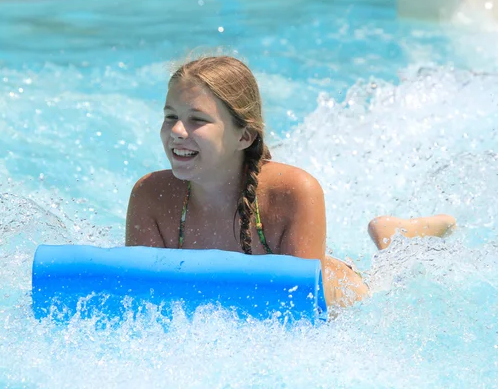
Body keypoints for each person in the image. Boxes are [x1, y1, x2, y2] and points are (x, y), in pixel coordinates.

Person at [125, 56, 456, 308]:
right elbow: (137, 300)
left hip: (336, 295)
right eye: (171, 116)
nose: (177, 131)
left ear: (245, 135)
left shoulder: (293, 191)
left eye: (197, 120)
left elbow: (300, 310)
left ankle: (395, 236)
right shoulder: (151, 196)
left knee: (386, 286)